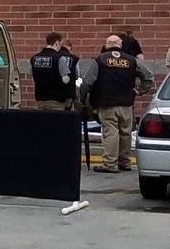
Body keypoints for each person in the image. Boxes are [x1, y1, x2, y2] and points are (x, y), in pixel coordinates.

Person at [79, 34, 154, 173]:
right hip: (126, 103)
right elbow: (149, 76)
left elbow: (87, 83)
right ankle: (124, 162)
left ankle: (110, 164)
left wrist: (82, 99)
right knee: (125, 133)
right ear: (120, 45)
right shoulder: (131, 60)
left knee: (110, 133)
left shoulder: (100, 60)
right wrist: (139, 91)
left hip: (107, 103)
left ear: (106, 45)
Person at [30, 32, 72, 111]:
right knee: (56, 122)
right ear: (56, 43)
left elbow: (33, 77)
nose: (60, 47)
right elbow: (65, 80)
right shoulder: (59, 58)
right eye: (60, 44)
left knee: (43, 122)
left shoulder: (34, 58)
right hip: (56, 101)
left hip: (40, 100)